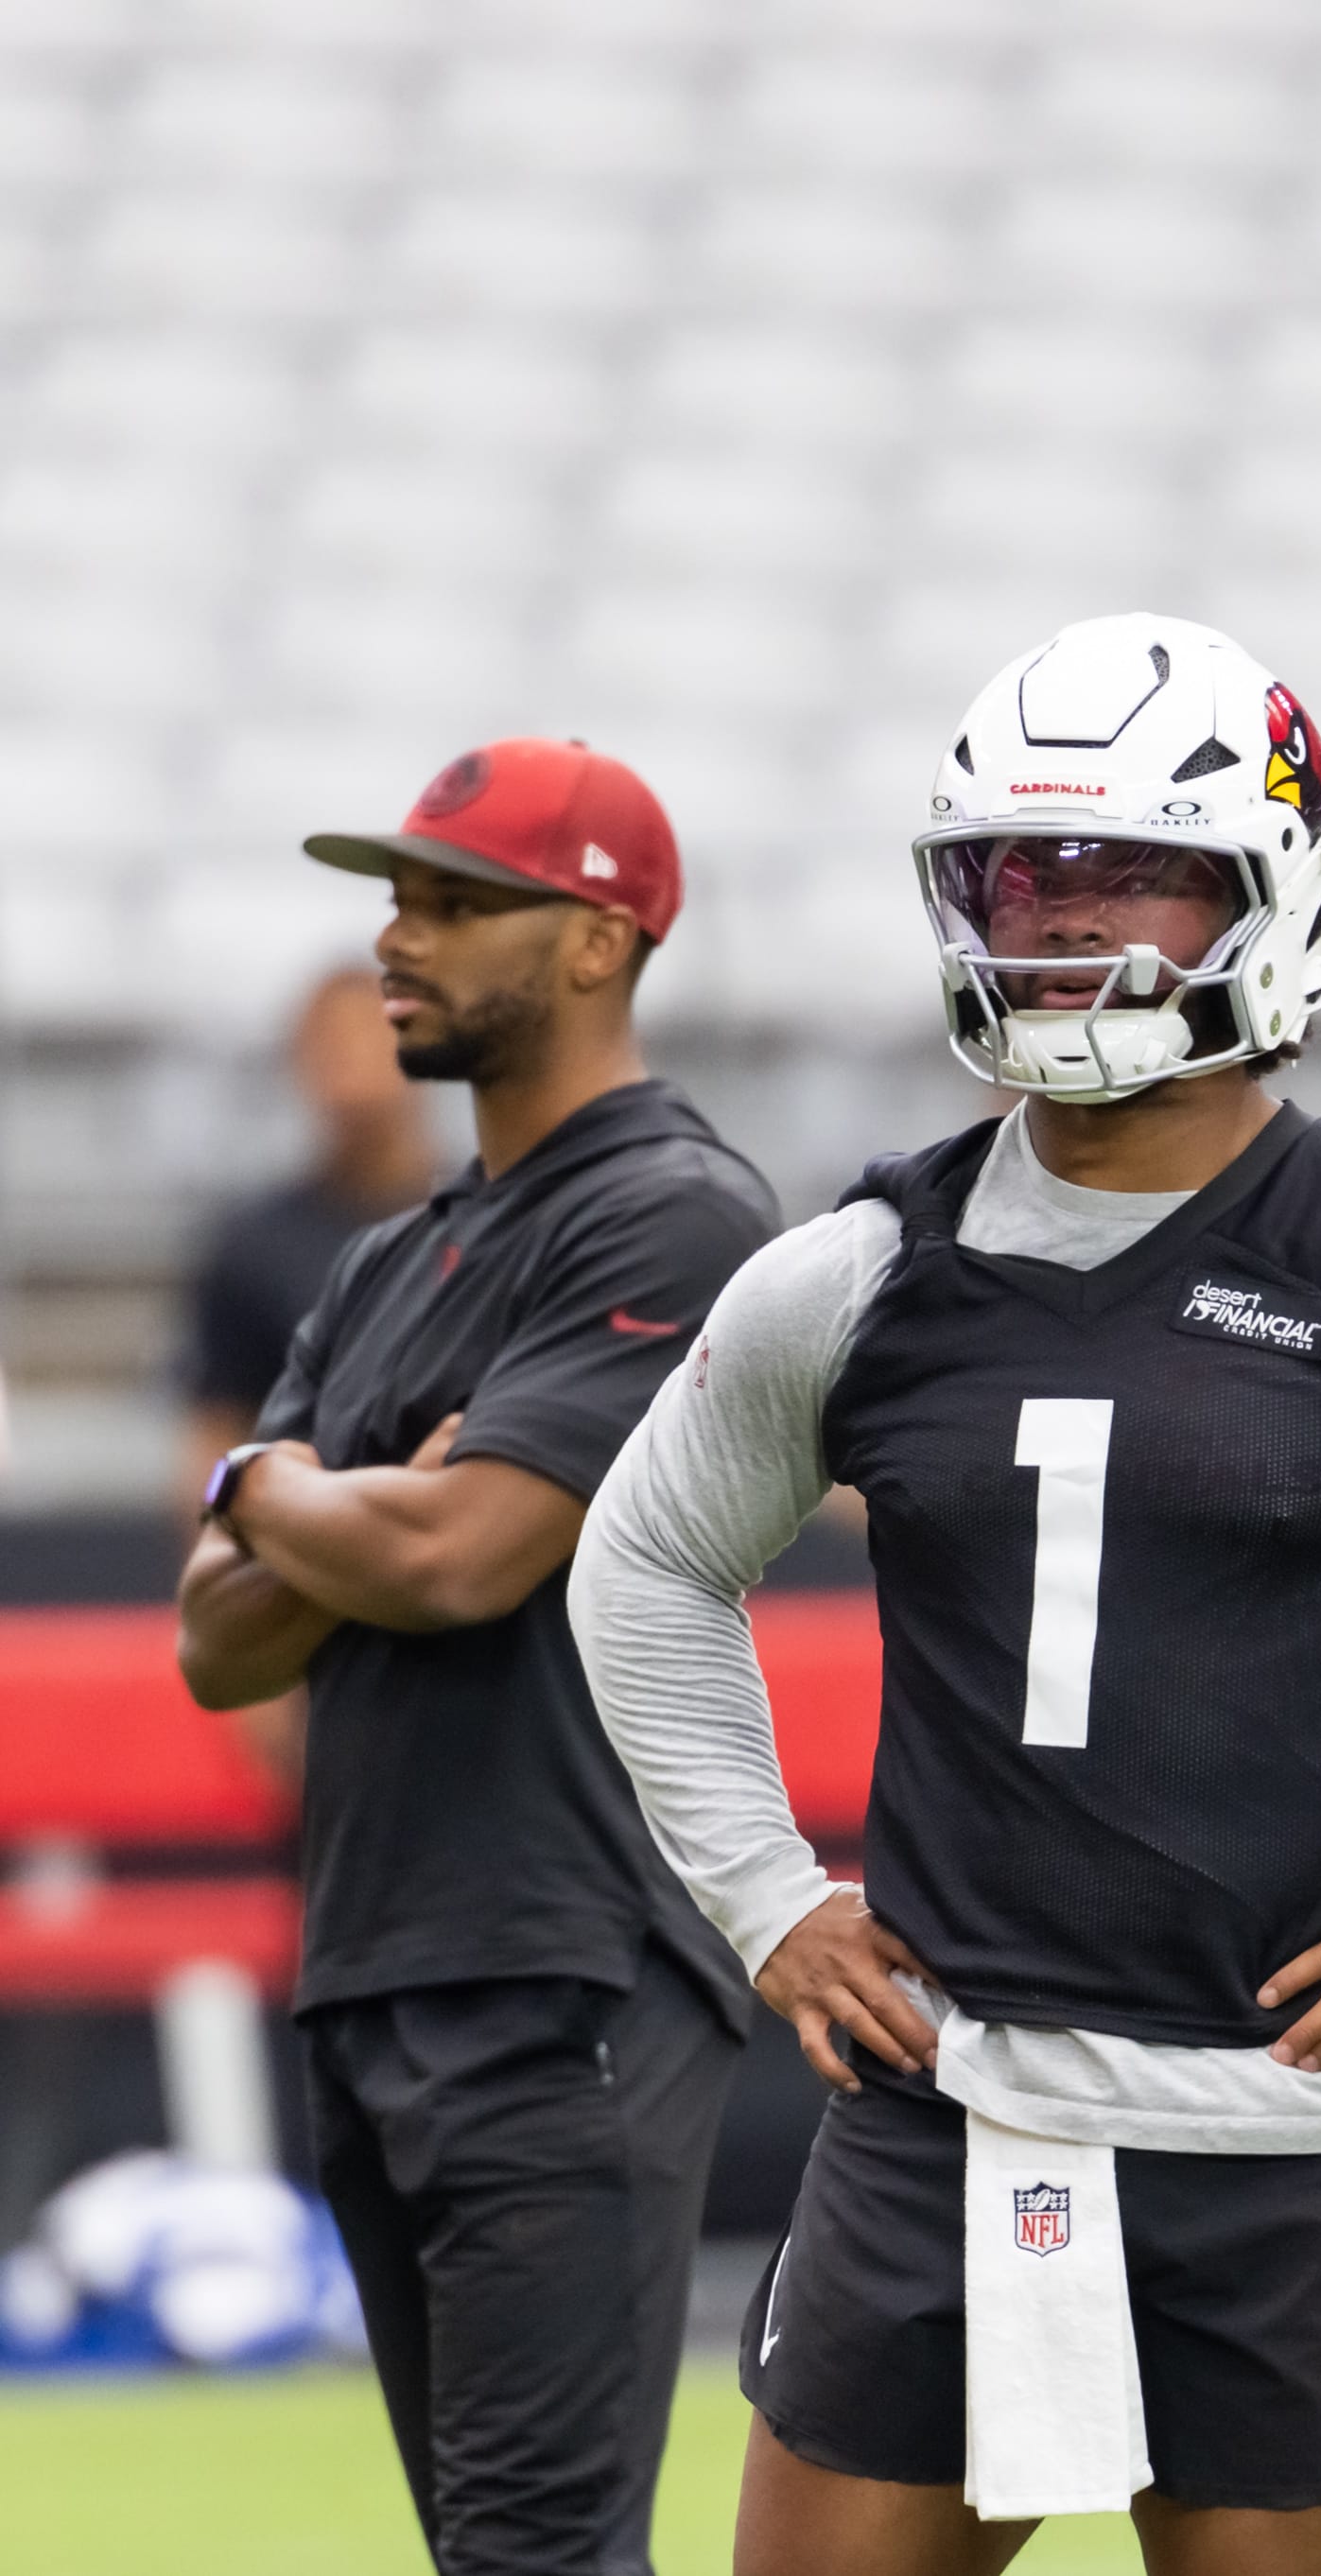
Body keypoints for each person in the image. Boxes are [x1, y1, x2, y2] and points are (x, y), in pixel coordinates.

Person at [568, 615, 1321, 2575]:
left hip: (1289, 2138)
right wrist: (765, 1899)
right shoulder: (862, 1268)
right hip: (952, 2108)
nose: (1064, 931)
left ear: (1275, 900)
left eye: (1132, 875)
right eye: (1020, 879)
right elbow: (642, 1564)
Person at [171, 738, 778, 2576]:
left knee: (539, 2553)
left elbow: (455, 1558)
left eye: (455, 899)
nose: (396, 937)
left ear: (599, 939)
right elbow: (213, 1639)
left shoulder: (673, 1209)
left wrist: (284, 1497)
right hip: (376, 1964)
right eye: (397, 896)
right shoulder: (389, 1262)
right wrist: (302, 1490)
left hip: (562, 1966)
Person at [177, 965, 441, 1790]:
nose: (348, 1067)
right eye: (327, 1046)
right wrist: (240, 1622)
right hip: (313, 1605)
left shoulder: (497, 1220)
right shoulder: (254, 1244)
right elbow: (214, 1445)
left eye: (371, 1038)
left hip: (468, 1591)